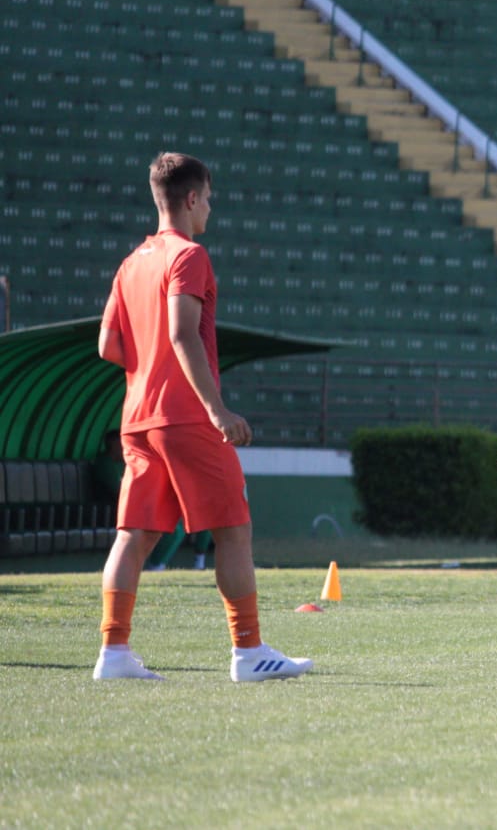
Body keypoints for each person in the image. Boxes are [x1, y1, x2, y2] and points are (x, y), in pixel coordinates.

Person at [94, 152, 312, 682]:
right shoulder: (189, 255)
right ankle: (248, 652)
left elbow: (108, 346)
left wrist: (151, 370)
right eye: (208, 198)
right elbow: (180, 332)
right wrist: (218, 410)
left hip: (138, 418)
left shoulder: (132, 262)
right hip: (187, 417)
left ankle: (113, 653)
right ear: (191, 198)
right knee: (234, 530)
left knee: (135, 535)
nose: (210, 209)